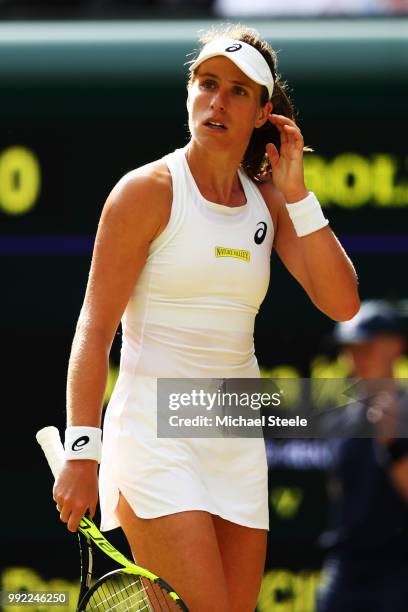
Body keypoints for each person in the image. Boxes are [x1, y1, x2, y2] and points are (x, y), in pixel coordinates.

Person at [52, 24, 359, 610]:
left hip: (233, 433)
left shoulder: (270, 201)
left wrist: (296, 192)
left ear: (263, 111)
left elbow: (342, 302)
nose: (217, 101)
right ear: (190, 93)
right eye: (207, 83)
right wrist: (82, 449)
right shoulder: (145, 192)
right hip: (153, 436)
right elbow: (94, 330)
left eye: (238, 92)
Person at [317, 300, 408, 612]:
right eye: (350, 348)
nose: (356, 357)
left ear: (395, 346)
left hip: (400, 569)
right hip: (346, 568)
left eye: (366, 346)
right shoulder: (337, 420)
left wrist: (393, 443)